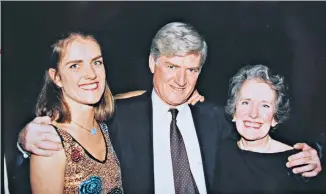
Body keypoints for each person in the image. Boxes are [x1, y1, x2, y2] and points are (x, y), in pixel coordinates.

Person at [18, 22, 322, 194]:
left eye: (191, 70)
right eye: (172, 66)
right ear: (153, 63)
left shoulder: (216, 118)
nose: (181, 80)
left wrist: (315, 154)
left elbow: (263, 139)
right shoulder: (120, 118)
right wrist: (24, 139)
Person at [29, 33, 123, 193]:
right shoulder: (50, 144)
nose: (91, 74)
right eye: (75, 66)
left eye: (97, 62)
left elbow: (129, 98)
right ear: (56, 77)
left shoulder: (103, 126)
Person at [213, 64, 320, 193]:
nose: (253, 114)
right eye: (246, 102)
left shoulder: (296, 162)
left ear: (275, 118)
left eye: (265, 106)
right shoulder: (221, 149)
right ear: (234, 112)